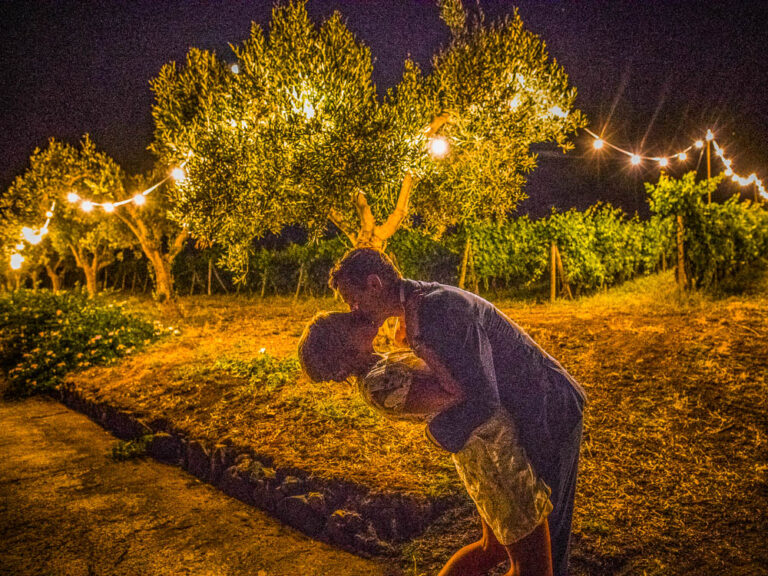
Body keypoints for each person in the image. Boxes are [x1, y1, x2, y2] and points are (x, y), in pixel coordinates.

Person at [327, 248, 587, 576]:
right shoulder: (420, 307)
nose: (354, 310)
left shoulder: (436, 309)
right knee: (527, 550)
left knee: (549, 541)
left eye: (353, 298)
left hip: (547, 407)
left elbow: (483, 400)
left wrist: (436, 434)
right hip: (524, 413)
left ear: (374, 283)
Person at [298, 310, 554, 576]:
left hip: (485, 449)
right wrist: (423, 343)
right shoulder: (377, 384)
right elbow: (454, 393)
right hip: (494, 458)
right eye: (348, 322)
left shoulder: (379, 367)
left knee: (494, 548)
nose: (359, 314)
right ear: (344, 351)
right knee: (533, 569)